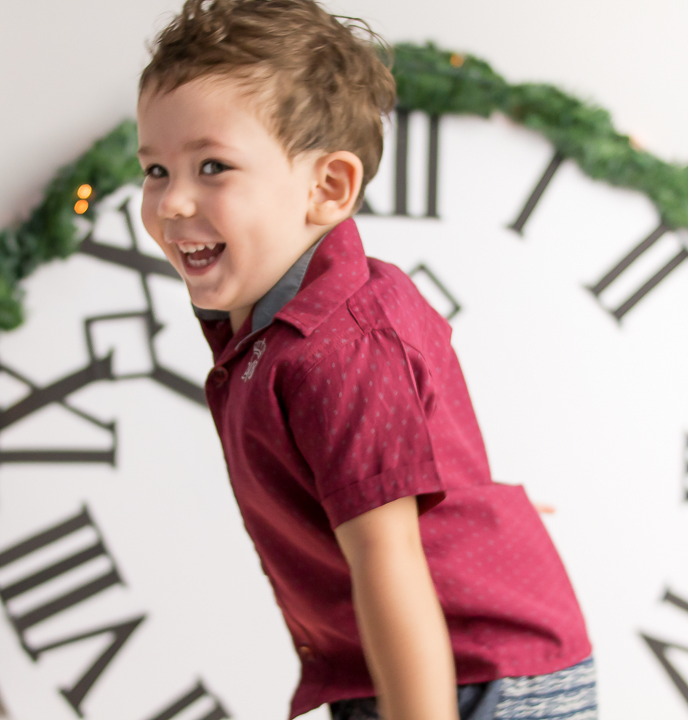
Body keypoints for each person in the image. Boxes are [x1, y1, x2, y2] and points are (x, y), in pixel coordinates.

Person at [135, 1, 596, 718]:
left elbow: (388, 560)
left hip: (472, 675)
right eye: (157, 169)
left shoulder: (339, 343)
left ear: (328, 188)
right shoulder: (271, 330)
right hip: (392, 666)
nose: (171, 202)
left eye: (212, 166)